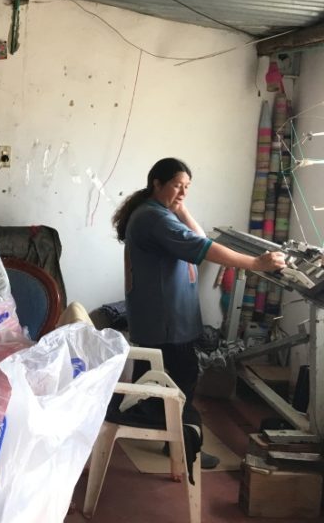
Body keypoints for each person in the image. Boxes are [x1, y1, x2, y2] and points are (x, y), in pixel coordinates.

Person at [111, 157, 286, 469]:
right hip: (166, 320)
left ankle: (155, 432)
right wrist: (257, 264)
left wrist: (180, 206)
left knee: (155, 383)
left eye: (187, 187)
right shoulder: (155, 219)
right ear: (157, 183)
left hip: (159, 316)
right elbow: (205, 249)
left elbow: (200, 237)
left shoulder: (159, 212)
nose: (183, 192)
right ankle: (180, 445)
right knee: (181, 382)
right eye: (177, 185)